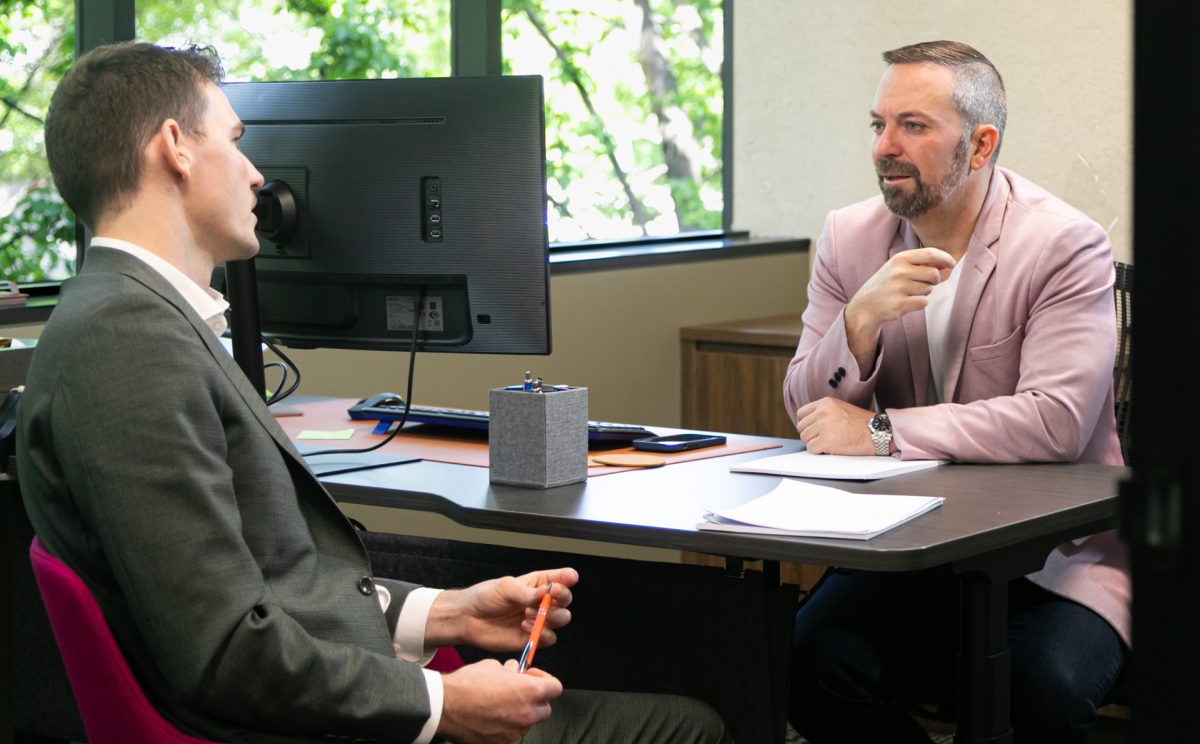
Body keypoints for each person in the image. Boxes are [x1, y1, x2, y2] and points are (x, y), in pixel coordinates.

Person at [18, 41, 727, 744]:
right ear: (175, 146)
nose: (257, 175)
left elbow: (270, 587)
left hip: (317, 698)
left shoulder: (134, 320)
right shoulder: (128, 345)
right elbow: (228, 650)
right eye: (235, 142)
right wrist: (443, 702)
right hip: (298, 728)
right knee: (693, 725)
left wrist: (447, 613)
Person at [782, 41, 1128, 743]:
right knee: (803, 663)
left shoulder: (1063, 244)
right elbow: (807, 409)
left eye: (913, 125)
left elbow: (1054, 423)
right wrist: (860, 320)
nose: (886, 146)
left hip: (1061, 553)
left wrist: (880, 434)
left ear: (980, 146)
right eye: (877, 125)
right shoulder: (849, 238)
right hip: (917, 541)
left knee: (1037, 691)